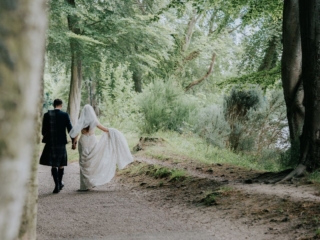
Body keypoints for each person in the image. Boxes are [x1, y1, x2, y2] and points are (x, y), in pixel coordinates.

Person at [69, 104, 133, 191]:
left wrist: (74, 143)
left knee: (83, 162)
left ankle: (84, 186)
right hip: (92, 140)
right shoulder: (94, 121)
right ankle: (91, 182)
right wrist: (114, 132)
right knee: (92, 161)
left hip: (83, 141)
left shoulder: (81, 121)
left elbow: (76, 133)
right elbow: (105, 129)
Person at [40, 99, 76, 194]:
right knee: (61, 164)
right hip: (61, 142)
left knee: (54, 164)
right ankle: (59, 183)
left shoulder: (47, 115)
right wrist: (73, 142)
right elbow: (70, 129)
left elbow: (43, 131)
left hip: (51, 143)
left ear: (53, 105)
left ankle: (57, 185)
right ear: (61, 105)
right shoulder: (64, 115)